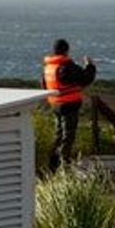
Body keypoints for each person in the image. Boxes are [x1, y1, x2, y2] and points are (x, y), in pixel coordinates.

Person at [42, 38, 97, 171]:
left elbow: (44, 85)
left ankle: (52, 166)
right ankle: (63, 166)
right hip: (69, 105)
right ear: (66, 50)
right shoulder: (66, 67)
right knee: (68, 135)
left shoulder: (49, 67)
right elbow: (85, 79)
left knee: (59, 135)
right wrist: (90, 66)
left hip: (55, 105)